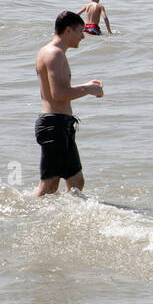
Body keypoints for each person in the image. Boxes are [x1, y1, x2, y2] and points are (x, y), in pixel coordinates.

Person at [33, 11, 104, 196]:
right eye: (80, 31)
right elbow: (58, 94)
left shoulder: (49, 52)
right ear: (67, 30)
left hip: (60, 123)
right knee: (48, 187)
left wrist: (86, 86)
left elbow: (47, 92)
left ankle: (63, 219)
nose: (83, 36)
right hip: (53, 125)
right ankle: (27, 213)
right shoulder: (54, 54)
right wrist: (88, 90)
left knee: (75, 182)